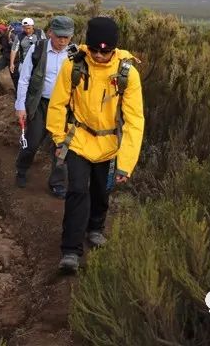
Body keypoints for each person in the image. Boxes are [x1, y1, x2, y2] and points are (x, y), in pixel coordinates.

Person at [46, 16, 144, 274]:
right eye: (95, 50)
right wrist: (59, 138)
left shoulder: (127, 74)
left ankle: (96, 228)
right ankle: (70, 251)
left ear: (113, 48)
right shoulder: (73, 66)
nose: (100, 55)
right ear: (88, 46)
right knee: (78, 191)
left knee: (101, 192)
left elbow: (135, 121)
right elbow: (57, 105)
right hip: (78, 140)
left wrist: (125, 163)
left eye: (106, 51)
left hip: (109, 144)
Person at [14, 16, 75, 197]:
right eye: (59, 37)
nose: (63, 41)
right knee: (31, 143)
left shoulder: (75, 53)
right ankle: (22, 170)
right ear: (50, 33)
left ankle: (57, 183)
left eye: (67, 37)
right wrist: (20, 106)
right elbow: (24, 79)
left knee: (62, 146)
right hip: (41, 104)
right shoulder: (38, 49)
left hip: (64, 108)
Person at [9, 18, 44, 91]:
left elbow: (45, 44)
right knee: (23, 82)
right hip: (24, 63)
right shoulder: (19, 36)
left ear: (33, 26)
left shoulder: (40, 33)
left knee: (37, 82)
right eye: (24, 28)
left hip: (38, 63)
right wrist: (11, 63)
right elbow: (14, 49)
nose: (27, 30)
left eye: (29, 28)